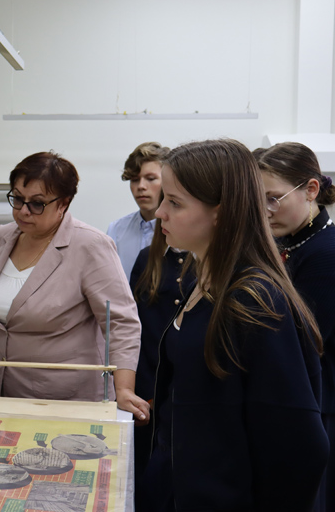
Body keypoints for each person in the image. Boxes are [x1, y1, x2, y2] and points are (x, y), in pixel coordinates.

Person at [140, 139, 327, 511]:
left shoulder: (253, 303)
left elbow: (298, 445)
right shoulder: (202, 281)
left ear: (221, 213)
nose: (160, 213)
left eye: (174, 202)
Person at [0, 151, 147, 420]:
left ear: (63, 204)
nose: (23, 210)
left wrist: (124, 388)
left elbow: (121, 322)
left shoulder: (89, 245)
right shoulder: (5, 237)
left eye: (37, 203)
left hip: (66, 398)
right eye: (17, 198)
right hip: (4, 389)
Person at [256, 142, 335, 511]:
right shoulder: (288, 243)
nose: (265, 211)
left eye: (273, 198)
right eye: (258, 200)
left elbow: (303, 341)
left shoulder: (325, 253)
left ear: (311, 189)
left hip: (319, 406)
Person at [129, 216, 192, 497]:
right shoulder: (147, 257)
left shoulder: (205, 261)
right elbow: (132, 325)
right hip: (147, 378)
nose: (163, 212)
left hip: (184, 383)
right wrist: (139, 387)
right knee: (143, 461)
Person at [107, 142, 169, 280]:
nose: (141, 186)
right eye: (134, 180)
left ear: (168, 181)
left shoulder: (182, 231)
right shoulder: (116, 230)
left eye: (151, 179)